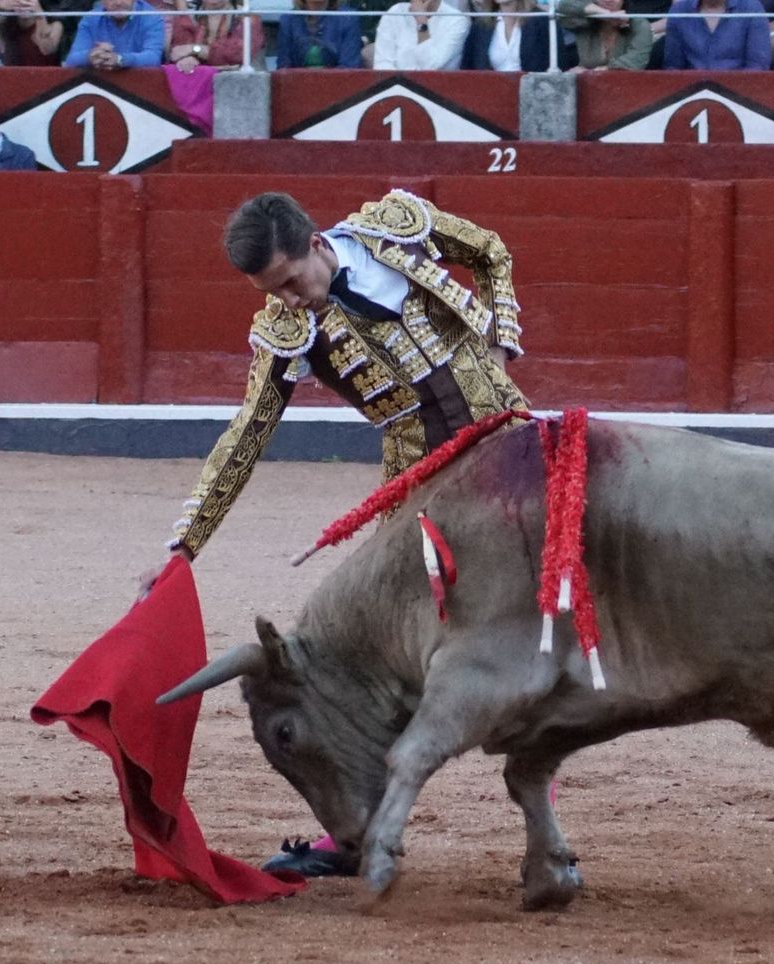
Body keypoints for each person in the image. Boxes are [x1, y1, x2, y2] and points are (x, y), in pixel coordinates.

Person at [151, 192, 530, 876]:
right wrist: (185, 546)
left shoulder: (397, 228)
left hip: (513, 453)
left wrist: (501, 338)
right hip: (421, 490)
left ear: (319, 246)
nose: (289, 302)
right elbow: (245, 437)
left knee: (546, 624)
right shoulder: (288, 332)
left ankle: (540, 820)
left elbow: (490, 250)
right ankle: (353, 830)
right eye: (273, 293)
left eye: (292, 282)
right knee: (384, 663)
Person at [664, 0, 773, 68]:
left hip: (741, 92)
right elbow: (673, 67)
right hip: (692, 91)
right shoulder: (679, 11)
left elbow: (758, 65)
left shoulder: (752, 8)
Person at [371, 0, 469, 70]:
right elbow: (382, 64)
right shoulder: (394, 13)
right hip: (395, 89)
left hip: (438, 90)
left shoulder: (456, 20)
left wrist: (421, 20)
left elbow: (430, 67)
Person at [64, 0, 163, 68]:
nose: (118, 2)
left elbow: (154, 58)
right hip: (100, 84)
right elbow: (71, 60)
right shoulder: (90, 18)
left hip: (138, 84)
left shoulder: (151, 16)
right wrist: (91, 56)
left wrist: (120, 59)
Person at [164, 0, 261, 69]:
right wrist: (187, 59)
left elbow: (237, 54)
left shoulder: (248, 17)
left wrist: (194, 49)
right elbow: (178, 50)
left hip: (238, 81)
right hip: (198, 77)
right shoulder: (188, 16)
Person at [556, 0, 653, 68]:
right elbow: (565, 4)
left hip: (627, 86)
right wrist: (605, 13)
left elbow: (636, 61)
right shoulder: (584, 21)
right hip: (588, 87)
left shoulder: (639, 23)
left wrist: (598, 71)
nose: (608, 0)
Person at [461, 0, 551, 70]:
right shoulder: (480, 25)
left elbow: (558, 66)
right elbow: (467, 68)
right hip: (491, 90)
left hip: (531, 90)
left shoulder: (542, 20)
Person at [276, 0, 363, 68]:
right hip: (298, 86)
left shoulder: (349, 18)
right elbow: (284, 68)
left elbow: (349, 67)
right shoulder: (288, 20)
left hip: (339, 86)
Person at [0, 0, 63, 65]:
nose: (23, 5)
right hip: (12, 79)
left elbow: (46, 50)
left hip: (46, 81)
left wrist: (39, 15)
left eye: (28, 1)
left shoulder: (55, 25)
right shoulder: (3, 23)